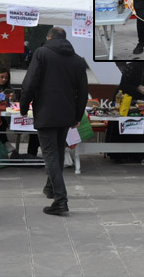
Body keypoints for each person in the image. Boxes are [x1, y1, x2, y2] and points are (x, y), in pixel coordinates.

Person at [20, 27, 88, 216]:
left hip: (47, 112)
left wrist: (23, 107)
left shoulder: (42, 53)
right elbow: (83, 92)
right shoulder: (77, 60)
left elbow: (30, 82)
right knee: (57, 153)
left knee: (50, 155)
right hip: (66, 114)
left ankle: (60, 200)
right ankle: (50, 188)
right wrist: (77, 116)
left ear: (49, 38)